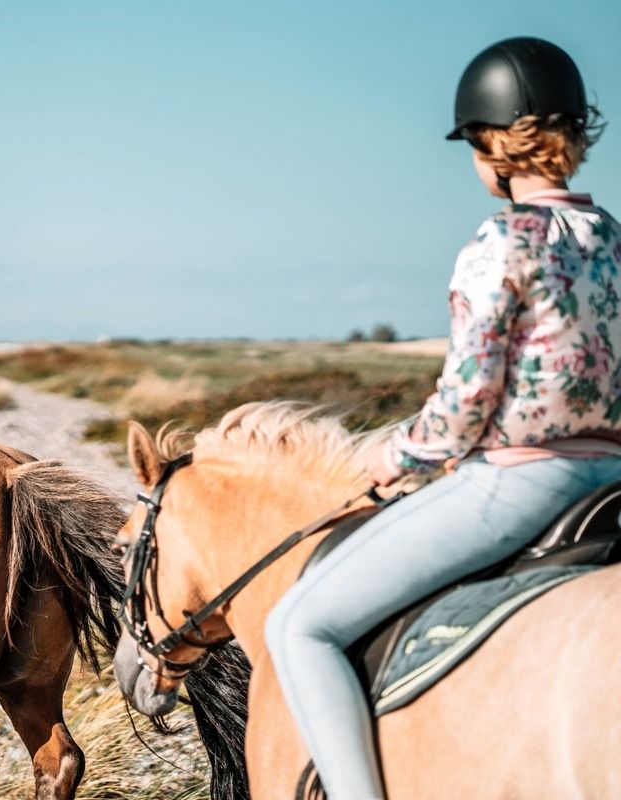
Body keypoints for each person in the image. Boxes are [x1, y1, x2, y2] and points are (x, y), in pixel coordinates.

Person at [264, 37, 621, 799]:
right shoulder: (613, 241)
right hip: (612, 478)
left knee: (299, 629)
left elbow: (463, 406)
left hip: (521, 486)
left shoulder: (501, 242)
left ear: (494, 143)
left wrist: (396, 455)